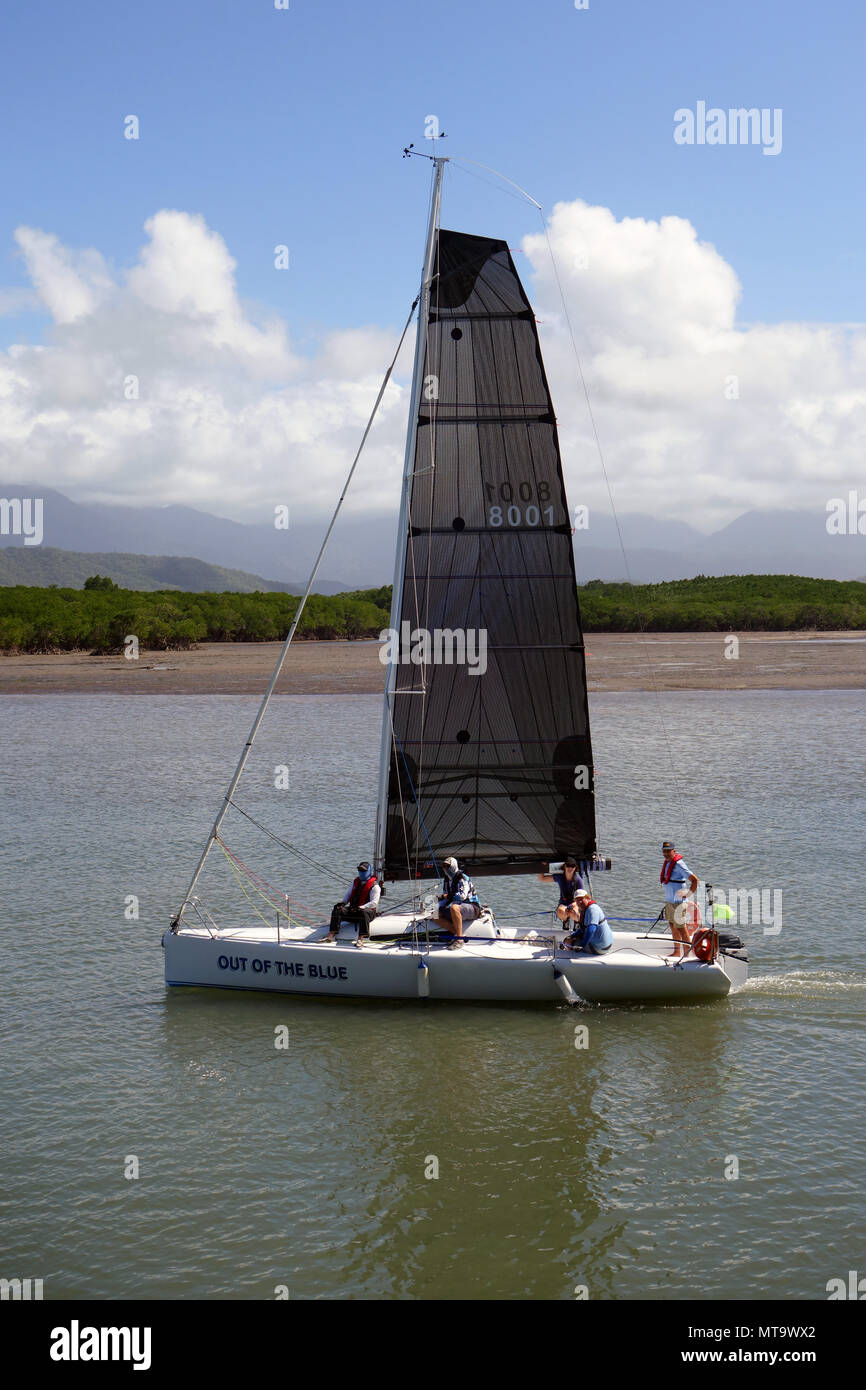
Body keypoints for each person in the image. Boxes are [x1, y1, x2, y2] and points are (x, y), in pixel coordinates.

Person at [322, 861, 381, 947]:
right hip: (354, 911)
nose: (361, 872)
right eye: (360, 870)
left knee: (363, 912)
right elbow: (348, 895)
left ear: (368, 871)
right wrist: (342, 903)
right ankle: (331, 935)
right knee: (337, 909)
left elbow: (374, 903)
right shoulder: (356, 882)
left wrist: (361, 907)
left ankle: (360, 938)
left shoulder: (375, 886)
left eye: (363, 871)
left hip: (368, 913)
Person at [660, 840, 699, 959]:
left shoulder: (679, 864)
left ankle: (687, 954)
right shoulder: (667, 862)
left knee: (681, 928)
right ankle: (677, 952)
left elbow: (695, 880)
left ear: (674, 851)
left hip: (679, 903)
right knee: (673, 926)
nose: (666, 854)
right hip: (670, 901)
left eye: (668, 851)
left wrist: (688, 894)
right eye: (664, 851)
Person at [437, 856, 480, 948]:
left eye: (447, 866)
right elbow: (445, 897)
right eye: (444, 866)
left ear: (453, 866)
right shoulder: (447, 880)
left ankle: (459, 940)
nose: (445, 868)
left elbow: (462, 896)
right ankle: (457, 934)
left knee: (454, 907)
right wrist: (436, 906)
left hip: (472, 907)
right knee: (433, 914)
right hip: (458, 906)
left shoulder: (462, 878)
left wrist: (448, 896)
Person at [538, 856, 585, 927]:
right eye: (568, 865)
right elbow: (542, 878)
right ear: (564, 866)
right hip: (564, 902)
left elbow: (582, 898)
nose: (570, 868)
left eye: (572, 866)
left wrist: (575, 904)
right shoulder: (560, 877)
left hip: (576, 903)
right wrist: (542, 866)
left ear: (575, 868)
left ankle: (577, 923)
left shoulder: (578, 880)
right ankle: (565, 922)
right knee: (560, 911)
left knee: (574, 912)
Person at [562, 890, 612, 954]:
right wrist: (572, 936)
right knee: (570, 938)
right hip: (604, 945)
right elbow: (584, 928)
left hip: (599, 948)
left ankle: (573, 958)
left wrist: (582, 945)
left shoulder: (592, 909)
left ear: (587, 898)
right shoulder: (586, 908)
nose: (579, 902)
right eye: (577, 900)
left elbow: (591, 930)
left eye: (581, 899)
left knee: (568, 942)